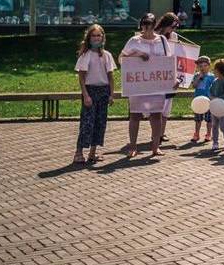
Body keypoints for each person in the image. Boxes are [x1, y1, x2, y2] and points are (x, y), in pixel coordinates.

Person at [120, 13, 169, 157]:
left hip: (156, 83)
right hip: (138, 84)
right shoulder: (134, 41)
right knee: (135, 115)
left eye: (150, 24)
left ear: (154, 25)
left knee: (156, 115)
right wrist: (137, 54)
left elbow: (169, 60)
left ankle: (155, 147)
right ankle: (133, 146)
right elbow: (121, 59)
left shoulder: (162, 40)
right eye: (144, 24)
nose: (147, 27)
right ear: (141, 25)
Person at [74, 24, 115, 164]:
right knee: (87, 123)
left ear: (103, 37)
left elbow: (110, 76)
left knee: (100, 122)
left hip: (103, 91)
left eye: (99, 35)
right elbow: (82, 77)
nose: (96, 38)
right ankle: (78, 152)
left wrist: (111, 94)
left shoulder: (107, 55)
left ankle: (92, 152)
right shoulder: (86, 55)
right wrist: (85, 95)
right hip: (90, 91)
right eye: (94, 35)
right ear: (89, 37)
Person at [154, 12, 181, 145]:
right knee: (158, 104)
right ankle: (156, 132)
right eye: (172, 26)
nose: (173, 30)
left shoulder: (174, 36)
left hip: (171, 72)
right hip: (157, 73)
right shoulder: (155, 35)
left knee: (167, 105)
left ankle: (162, 133)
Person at [209, 59, 224, 151]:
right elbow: (210, 91)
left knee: (223, 126)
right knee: (214, 125)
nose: (213, 71)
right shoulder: (214, 81)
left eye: (214, 69)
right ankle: (215, 142)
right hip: (214, 107)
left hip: (222, 108)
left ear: (219, 70)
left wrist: (219, 98)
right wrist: (211, 97)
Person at [189, 56, 215, 143]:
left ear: (209, 66)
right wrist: (199, 77)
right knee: (198, 119)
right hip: (198, 101)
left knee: (209, 119)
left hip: (208, 100)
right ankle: (196, 133)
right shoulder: (196, 75)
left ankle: (208, 134)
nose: (202, 68)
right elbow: (194, 85)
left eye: (205, 65)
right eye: (200, 66)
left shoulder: (212, 77)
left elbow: (214, 88)